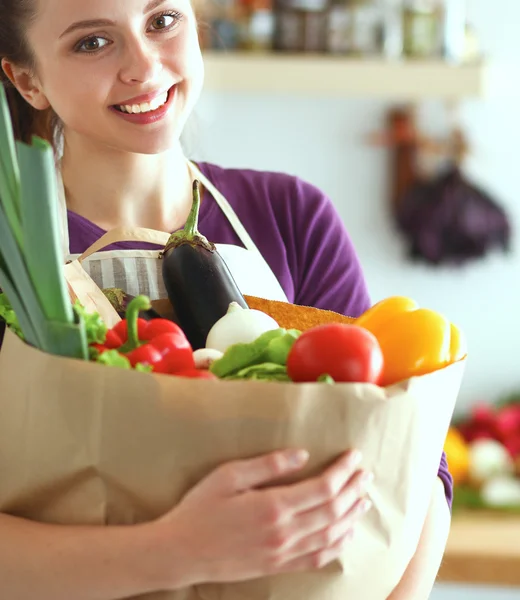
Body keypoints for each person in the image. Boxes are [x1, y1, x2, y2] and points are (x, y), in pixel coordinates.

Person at [0, 0, 452, 598]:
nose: (144, 66)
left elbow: (409, 461)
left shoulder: (291, 215)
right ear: (28, 80)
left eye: (162, 21)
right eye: (92, 43)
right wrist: (181, 552)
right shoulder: (13, 252)